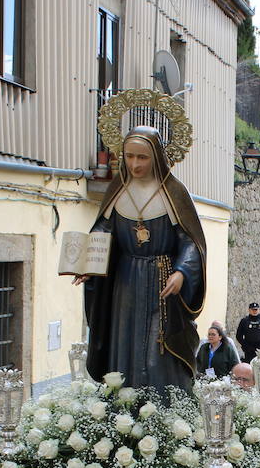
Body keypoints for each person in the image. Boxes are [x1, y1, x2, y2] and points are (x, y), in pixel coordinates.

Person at [81, 126, 207, 393]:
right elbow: (103, 231)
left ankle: (164, 406)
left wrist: (182, 272)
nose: (135, 164)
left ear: (156, 158)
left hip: (162, 281)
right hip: (125, 281)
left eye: (142, 157)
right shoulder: (118, 190)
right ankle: (124, 404)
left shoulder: (173, 193)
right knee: (124, 339)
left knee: (158, 348)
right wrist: (88, 266)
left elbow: (190, 242)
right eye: (129, 157)